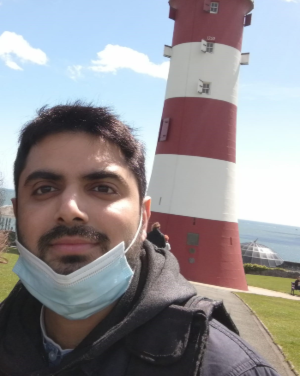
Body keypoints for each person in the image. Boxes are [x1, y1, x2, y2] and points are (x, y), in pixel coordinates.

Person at [0, 103, 280, 376]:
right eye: (44, 188)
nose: (70, 210)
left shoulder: (231, 368)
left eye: (102, 187)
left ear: (143, 217)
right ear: (18, 209)